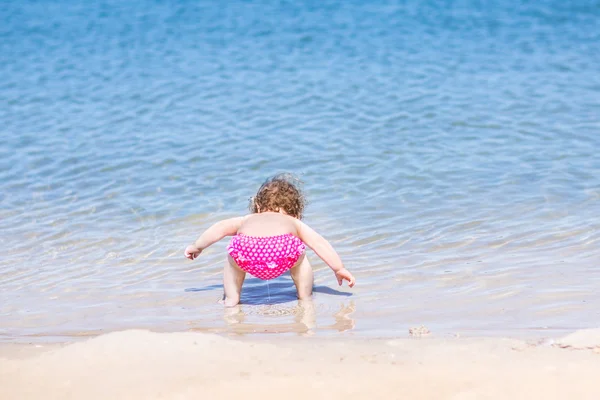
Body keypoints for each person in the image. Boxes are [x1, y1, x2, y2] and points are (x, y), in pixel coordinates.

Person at [184, 174, 355, 306]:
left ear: (258, 206)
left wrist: (197, 246)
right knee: (301, 258)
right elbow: (318, 242)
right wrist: (338, 268)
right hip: (282, 252)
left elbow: (219, 228)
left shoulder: (246, 219)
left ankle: (231, 298)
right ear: (294, 211)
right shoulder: (293, 222)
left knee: (232, 259)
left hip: (247, 252)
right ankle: (304, 296)